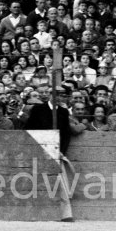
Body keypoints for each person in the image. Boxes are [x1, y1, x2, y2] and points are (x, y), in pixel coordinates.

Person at [25, 85, 76, 222]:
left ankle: (65, 214)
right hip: (40, 150)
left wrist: (61, 151)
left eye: (63, 95)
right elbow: (30, 130)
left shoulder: (64, 112)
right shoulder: (38, 109)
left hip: (57, 151)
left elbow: (66, 134)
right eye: (57, 94)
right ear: (52, 95)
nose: (60, 98)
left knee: (61, 182)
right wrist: (41, 147)